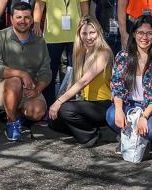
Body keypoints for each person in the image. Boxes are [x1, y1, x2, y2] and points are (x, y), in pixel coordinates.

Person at [32, 0, 92, 107]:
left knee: (75, 71)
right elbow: (40, 3)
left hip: (76, 33)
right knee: (50, 72)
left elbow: (84, 5)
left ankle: (69, 107)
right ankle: (49, 104)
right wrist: (36, 22)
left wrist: (86, 26)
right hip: (53, 34)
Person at [107, 15, 152, 156]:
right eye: (140, 33)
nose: (144, 37)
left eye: (149, 33)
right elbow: (117, 86)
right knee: (111, 115)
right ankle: (126, 136)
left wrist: (144, 116)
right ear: (134, 34)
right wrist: (118, 109)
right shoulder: (123, 56)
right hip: (130, 104)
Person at [0, 2, 51, 141]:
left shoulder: (39, 41)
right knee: (15, 80)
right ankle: (11, 122)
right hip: (2, 85)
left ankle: (15, 113)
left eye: (27, 17)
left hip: (29, 88)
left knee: (37, 111)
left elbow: (46, 71)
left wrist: (38, 90)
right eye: (18, 17)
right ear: (11, 19)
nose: (23, 21)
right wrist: (21, 73)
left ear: (32, 19)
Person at [48, 17, 113, 147]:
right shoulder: (81, 53)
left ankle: (90, 135)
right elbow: (75, 82)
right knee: (53, 120)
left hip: (103, 105)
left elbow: (83, 81)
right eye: (84, 33)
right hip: (87, 104)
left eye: (92, 32)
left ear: (99, 32)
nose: (88, 37)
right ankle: (88, 131)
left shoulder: (104, 52)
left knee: (64, 109)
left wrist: (58, 102)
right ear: (79, 35)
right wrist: (59, 103)